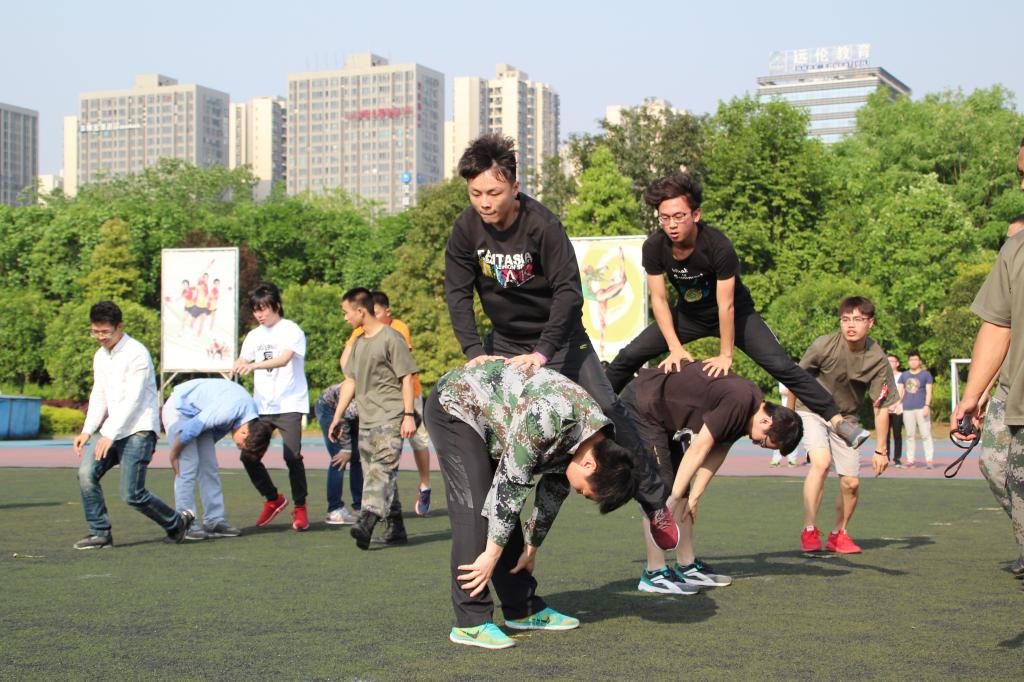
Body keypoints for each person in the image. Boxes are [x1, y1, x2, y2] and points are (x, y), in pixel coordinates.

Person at [444, 133, 678, 551]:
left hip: (563, 342)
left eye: (494, 193)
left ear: (514, 187)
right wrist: (474, 353)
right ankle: (499, 534)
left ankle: (655, 502)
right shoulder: (465, 229)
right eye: (475, 193)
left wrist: (543, 351)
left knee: (608, 410)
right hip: (505, 342)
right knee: (500, 427)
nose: (484, 202)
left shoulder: (542, 225)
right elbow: (457, 294)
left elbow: (569, 293)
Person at [604, 172, 871, 453]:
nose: (672, 225)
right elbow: (659, 300)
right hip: (688, 317)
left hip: (737, 315)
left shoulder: (717, 246)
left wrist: (725, 354)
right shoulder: (654, 247)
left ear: (696, 214)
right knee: (629, 356)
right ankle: (597, 416)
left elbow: (726, 306)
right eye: (665, 218)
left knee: (781, 366)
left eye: (679, 216)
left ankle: (837, 420)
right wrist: (675, 347)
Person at [424, 359, 639, 650]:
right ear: (590, 465)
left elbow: (554, 490)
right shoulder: (551, 415)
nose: (580, 494)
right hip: (456, 405)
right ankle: (470, 622)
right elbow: (511, 483)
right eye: (585, 492)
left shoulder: (592, 435)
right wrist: (490, 556)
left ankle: (522, 608)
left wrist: (531, 547)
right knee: (476, 511)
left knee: (502, 516)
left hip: (493, 423)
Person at [621, 362, 803, 594]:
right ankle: (654, 573)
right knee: (660, 492)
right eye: (763, 442)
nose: (757, 443)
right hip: (642, 404)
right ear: (766, 421)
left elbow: (719, 450)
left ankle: (686, 565)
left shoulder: (749, 409)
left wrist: (694, 496)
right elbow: (699, 448)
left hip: (664, 417)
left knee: (682, 492)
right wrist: (671, 501)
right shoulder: (739, 401)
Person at [73, 301, 195, 549]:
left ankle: (177, 522)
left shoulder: (137, 353)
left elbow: (133, 399)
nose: (100, 337)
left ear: (120, 327)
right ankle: (100, 532)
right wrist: (87, 430)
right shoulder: (100, 356)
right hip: (113, 431)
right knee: (86, 474)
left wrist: (109, 433)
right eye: (95, 332)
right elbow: (99, 394)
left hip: (139, 431)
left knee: (132, 494)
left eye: (105, 332)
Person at [789, 296, 897, 554]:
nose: (851, 325)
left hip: (846, 418)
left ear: (870, 323)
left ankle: (839, 534)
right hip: (812, 410)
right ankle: (809, 529)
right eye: (846, 319)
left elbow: (881, 405)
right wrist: (789, 416)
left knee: (851, 483)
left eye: (858, 319)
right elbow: (794, 378)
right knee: (821, 463)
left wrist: (881, 450)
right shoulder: (824, 345)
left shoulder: (877, 358)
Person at [952, 204, 1024, 586]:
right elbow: (999, 327)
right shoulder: (1015, 251)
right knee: (996, 469)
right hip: (1010, 390)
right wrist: (974, 393)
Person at [329, 288, 418, 550]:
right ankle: (396, 529)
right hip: (366, 420)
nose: (345, 318)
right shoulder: (358, 343)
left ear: (360, 311)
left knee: (381, 471)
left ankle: (366, 521)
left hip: (391, 416)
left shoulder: (392, 338)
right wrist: (337, 417)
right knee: (378, 476)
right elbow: (350, 381)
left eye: (346, 312)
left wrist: (408, 415)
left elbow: (406, 378)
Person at [340, 290, 433, 516]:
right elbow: (347, 367)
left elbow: (403, 374)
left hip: (406, 397)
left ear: (386, 312)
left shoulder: (397, 330)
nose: (375, 316)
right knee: (380, 459)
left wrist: (408, 414)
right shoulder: (359, 334)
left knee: (418, 441)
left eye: (378, 312)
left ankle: (425, 485)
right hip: (376, 405)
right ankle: (392, 519)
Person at [232, 282, 311, 531]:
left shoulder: (291, 330)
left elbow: (284, 359)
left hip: (289, 404)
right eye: (256, 310)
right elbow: (243, 358)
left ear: (276, 306)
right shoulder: (254, 336)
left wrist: (253, 365)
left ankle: (300, 508)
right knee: (248, 455)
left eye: (264, 308)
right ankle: (273, 498)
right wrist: (238, 363)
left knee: (292, 456)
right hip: (262, 407)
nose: (260, 314)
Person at [163, 378, 274, 540]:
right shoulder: (230, 410)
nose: (239, 446)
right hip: (179, 409)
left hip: (199, 413)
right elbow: (191, 429)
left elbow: (211, 428)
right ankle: (185, 523)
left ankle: (214, 521)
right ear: (245, 433)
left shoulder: (250, 417)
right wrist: (174, 454)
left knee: (209, 466)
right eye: (241, 445)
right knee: (188, 465)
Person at [315, 384, 363, 525]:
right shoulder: (362, 398)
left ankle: (359, 507)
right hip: (330, 408)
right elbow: (344, 418)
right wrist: (346, 449)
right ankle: (334, 510)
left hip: (350, 414)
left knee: (358, 457)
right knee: (340, 457)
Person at [899, 351, 934, 469]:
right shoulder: (904, 375)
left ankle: (929, 460)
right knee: (910, 435)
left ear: (919, 361)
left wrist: (927, 405)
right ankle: (910, 460)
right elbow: (901, 392)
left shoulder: (926, 375)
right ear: (908, 361)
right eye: (911, 360)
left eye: (915, 359)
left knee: (925, 435)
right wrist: (897, 404)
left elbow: (929, 391)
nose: (913, 362)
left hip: (921, 408)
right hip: (907, 408)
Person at [770, 383, 800, 467]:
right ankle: (776, 460)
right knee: (778, 435)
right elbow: (783, 391)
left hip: (794, 411)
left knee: (793, 436)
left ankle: (792, 460)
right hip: (783, 411)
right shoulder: (783, 379)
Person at [886, 355, 905, 468]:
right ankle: (886, 457)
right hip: (886, 409)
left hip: (898, 409)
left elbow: (903, 391)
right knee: (885, 435)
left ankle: (897, 458)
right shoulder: (884, 376)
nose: (889, 363)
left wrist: (896, 404)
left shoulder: (902, 376)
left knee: (897, 434)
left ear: (897, 363)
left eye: (891, 361)